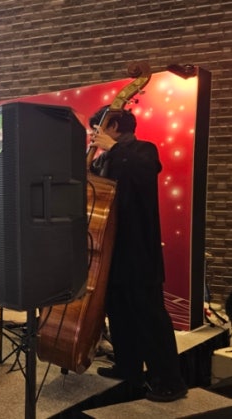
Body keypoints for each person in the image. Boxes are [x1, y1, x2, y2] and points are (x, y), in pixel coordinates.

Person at [89, 106, 188, 402]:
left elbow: (143, 172)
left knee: (150, 316)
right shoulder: (103, 158)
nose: (94, 135)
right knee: (119, 312)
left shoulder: (143, 150)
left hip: (138, 251)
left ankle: (170, 381)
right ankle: (127, 366)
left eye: (97, 129)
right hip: (110, 249)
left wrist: (113, 148)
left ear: (113, 125)